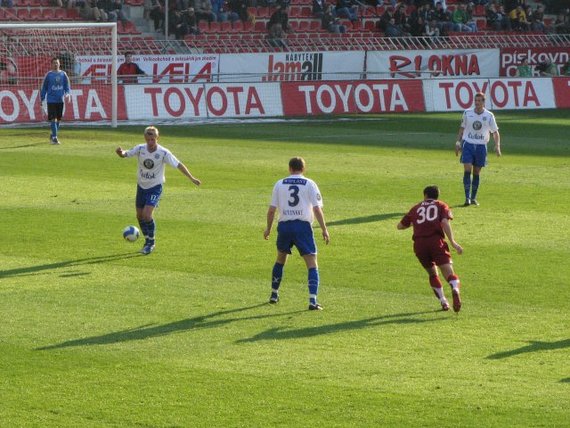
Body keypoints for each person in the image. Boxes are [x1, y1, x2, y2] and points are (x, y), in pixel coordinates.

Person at [115, 126, 201, 255]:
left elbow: (178, 164)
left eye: (153, 139)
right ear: (145, 138)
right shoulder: (140, 149)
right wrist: (120, 153)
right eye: (148, 139)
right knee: (139, 215)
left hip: (155, 187)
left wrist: (191, 178)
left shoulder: (163, 153)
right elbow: (126, 154)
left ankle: (151, 242)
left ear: (157, 138)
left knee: (147, 215)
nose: (150, 142)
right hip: (141, 186)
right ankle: (147, 239)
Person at [263, 157, 330, 311]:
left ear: (289, 168)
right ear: (303, 169)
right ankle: (313, 300)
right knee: (312, 264)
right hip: (302, 227)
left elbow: (272, 210)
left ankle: (274, 294)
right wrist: (324, 229)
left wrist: (268, 229)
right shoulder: (310, 184)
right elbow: (317, 209)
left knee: (280, 259)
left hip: (284, 226)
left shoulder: (279, 184)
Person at [397, 185, 463, 312]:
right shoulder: (441, 205)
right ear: (437, 195)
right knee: (449, 274)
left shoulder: (415, 208)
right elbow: (444, 222)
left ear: (425, 195)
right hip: (436, 242)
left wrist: (413, 223)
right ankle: (454, 288)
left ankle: (443, 302)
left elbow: (400, 226)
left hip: (419, 245)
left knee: (433, 274)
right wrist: (453, 242)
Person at [455, 92, 501, 206]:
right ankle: (467, 198)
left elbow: (495, 132)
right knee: (467, 169)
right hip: (468, 144)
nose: (477, 103)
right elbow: (462, 128)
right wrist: (458, 142)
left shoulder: (489, 115)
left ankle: (474, 197)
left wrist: (497, 146)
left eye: (479, 101)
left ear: (483, 102)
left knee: (476, 171)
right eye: (475, 100)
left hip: (481, 146)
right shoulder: (467, 113)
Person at [40, 57, 71, 145]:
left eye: (57, 63)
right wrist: (42, 99)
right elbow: (44, 88)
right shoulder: (48, 75)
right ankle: (54, 138)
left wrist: (68, 94)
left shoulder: (63, 74)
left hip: (60, 100)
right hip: (51, 100)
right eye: (54, 63)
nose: (56, 64)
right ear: (51, 64)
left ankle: (53, 134)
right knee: (53, 119)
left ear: (59, 64)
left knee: (59, 119)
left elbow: (67, 86)